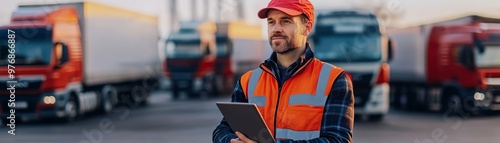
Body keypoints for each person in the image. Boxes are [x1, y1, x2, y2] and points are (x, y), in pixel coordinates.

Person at [212, 0, 354, 142]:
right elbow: (222, 130)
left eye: (285, 21)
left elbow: (338, 139)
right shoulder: (248, 81)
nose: (276, 29)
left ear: (307, 27)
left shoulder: (335, 79)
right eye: (271, 22)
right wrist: (230, 141)